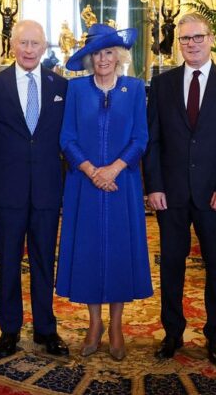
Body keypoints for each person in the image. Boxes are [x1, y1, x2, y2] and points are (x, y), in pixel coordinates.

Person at [143, 12, 216, 365]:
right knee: (171, 265)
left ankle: (215, 335)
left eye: (198, 37)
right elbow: (152, 140)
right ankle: (172, 333)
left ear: (212, 38)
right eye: (185, 39)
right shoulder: (162, 84)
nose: (191, 44)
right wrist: (153, 186)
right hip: (170, 194)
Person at [56, 24, 153, 361]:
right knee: (89, 252)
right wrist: (90, 170)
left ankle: (116, 325)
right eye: (97, 53)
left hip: (121, 183)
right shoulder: (77, 89)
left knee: (118, 252)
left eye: (109, 52)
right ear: (89, 58)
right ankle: (94, 324)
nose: (103, 59)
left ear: (120, 56)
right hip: (84, 185)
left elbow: (141, 137)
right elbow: (66, 138)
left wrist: (113, 168)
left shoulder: (135, 88)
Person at [0, 20, 70, 358]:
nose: (30, 50)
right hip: (8, 190)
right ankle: (9, 330)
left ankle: (47, 329)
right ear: (13, 45)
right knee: (8, 263)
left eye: (36, 44)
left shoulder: (61, 86)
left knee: (44, 262)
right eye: (24, 43)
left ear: (44, 47)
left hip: (47, 189)